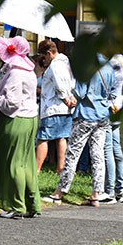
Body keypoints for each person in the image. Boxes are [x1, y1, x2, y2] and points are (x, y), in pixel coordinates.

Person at [43, 54, 117, 207]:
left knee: (72, 154)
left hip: (86, 114)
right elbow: (113, 92)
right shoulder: (109, 66)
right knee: (98, 156)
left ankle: (59, 193)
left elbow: (81, 93)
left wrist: (72, 92)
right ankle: (96, 194)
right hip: (103, 115)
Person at [0, 36, 41, 218]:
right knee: (27, 163)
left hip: (16, 120)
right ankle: (32, 204)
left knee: (14, 164)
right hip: (30, 119)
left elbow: (12, 103)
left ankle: (16, 206)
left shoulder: (16, 73)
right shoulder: (29, 71)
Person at [35, 39, 75, 173]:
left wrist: (66, 99)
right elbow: (72, 81)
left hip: (52, 107)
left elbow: (59, 85)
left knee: (43, 138)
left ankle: (37, 169)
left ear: (48, 53)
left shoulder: (54, 65)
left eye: (44, 56)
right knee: (61, 138)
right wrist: (72, 97)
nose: (44, 60)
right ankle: (60, 168)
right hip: (65, 109)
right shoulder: (66, 61)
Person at [105, 53, 123, 202]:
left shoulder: (112, 62)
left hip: (110, 107)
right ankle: (120, 189)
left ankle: (109, 190)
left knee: (107, 149)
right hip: (120, 105)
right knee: (117, 147)